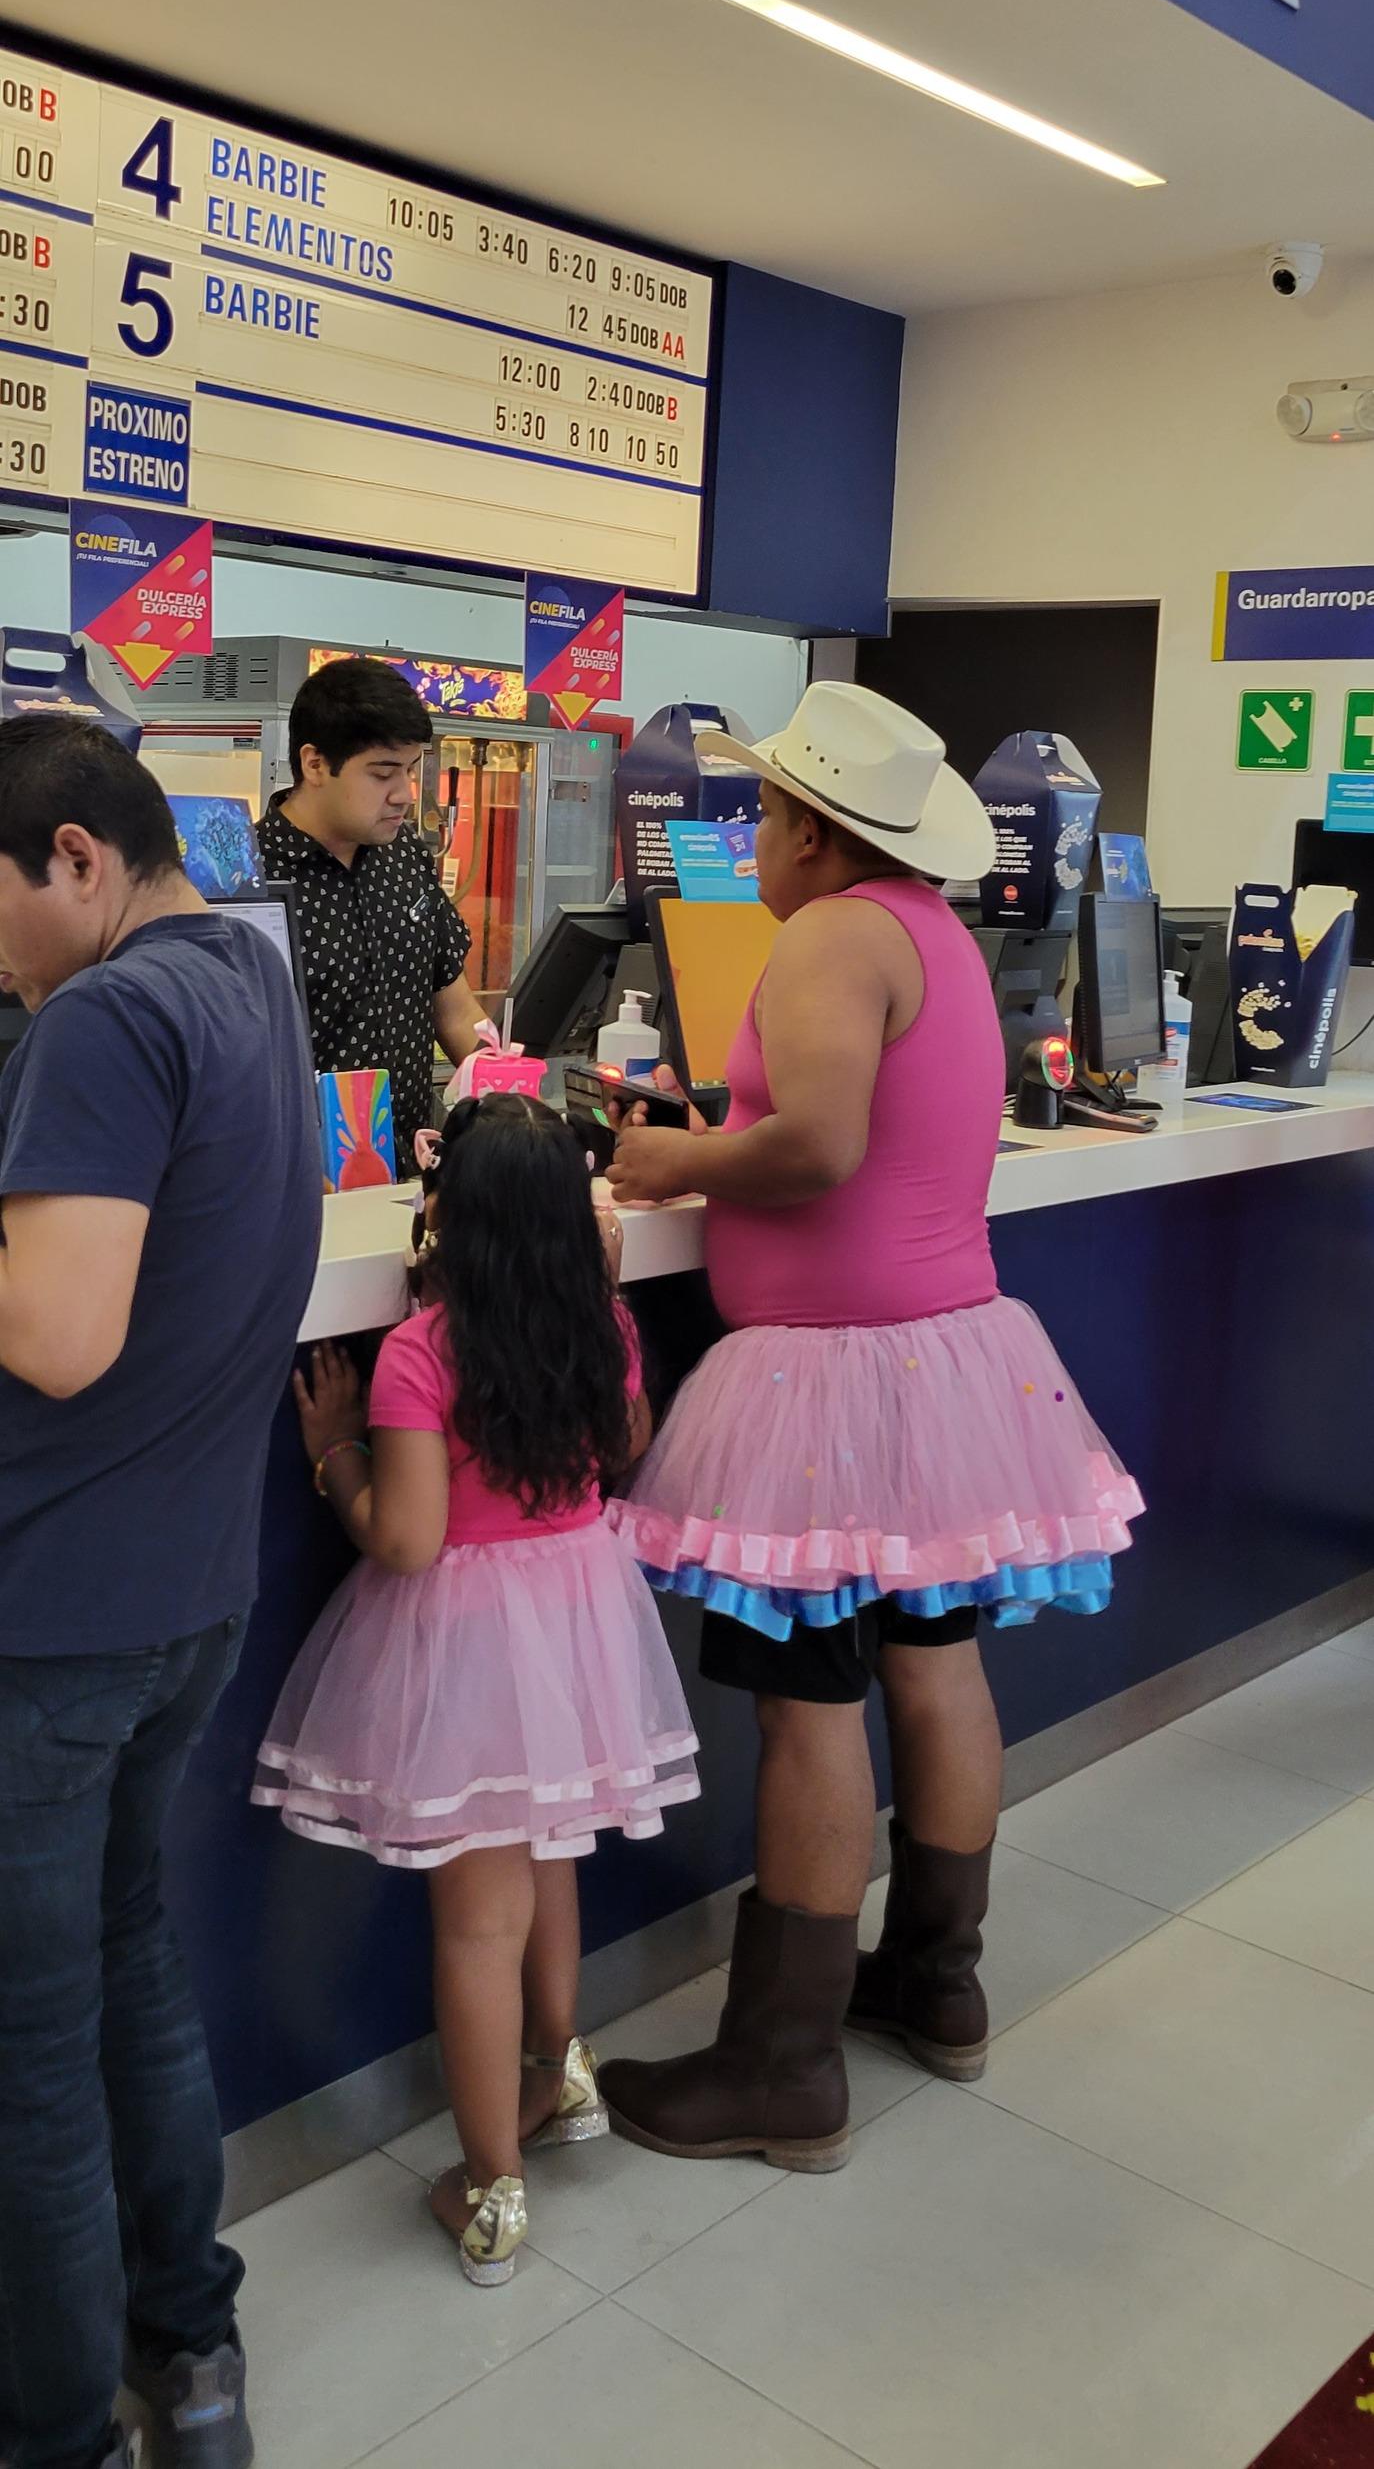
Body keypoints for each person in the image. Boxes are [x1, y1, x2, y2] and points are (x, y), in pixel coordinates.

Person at [601, 681, 1143, 2173]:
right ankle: (934, 1976)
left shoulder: (827, 932)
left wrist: (669, 1157)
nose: (748, 837)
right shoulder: (933, 934)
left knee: (809, 1705)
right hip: (950, 1366)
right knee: (934, 1662)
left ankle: (781, 2058)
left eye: (761, 811)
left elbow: (819, 1142)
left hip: (830, 1383)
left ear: (805, 825)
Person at [0, 717, 322, 2469]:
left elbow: (56, 1332)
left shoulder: (105, 1015)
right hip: (185, 1592)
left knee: (31, 2049)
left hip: (50, 1613)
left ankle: (59, 2434)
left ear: (72, 857)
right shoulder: (243, 976)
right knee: (129, 1966)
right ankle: (188, 2362)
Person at [255, 1093, 699, 2287]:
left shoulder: (417, 1355)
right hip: (576, 1627)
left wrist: (333, 1453)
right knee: (551, 1860)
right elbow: (622, 1449)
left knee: (477, 1923)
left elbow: (403, 1539)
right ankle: (563, 2077)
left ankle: (491, 2184)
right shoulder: (599, 1326)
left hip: (465, 1647)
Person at [256, 656, 490, 1164]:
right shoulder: (248, 878)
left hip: (413, 1166)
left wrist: (504, 1094)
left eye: (410, 770)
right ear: (315, 764)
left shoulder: (405, 856)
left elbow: (454, 1009)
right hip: (298, 1176)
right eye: (382, 773)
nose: (404, 794)